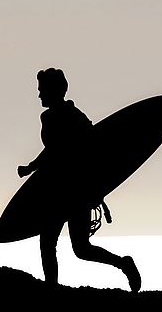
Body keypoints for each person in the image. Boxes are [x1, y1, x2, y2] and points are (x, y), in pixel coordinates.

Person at [17, 68, 142, 292]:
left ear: (52, 90)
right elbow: (52, 150)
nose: (39, 95)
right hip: (56, 188)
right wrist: (31, 167)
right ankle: (51, 289)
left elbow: (93, 147)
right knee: (48, 243)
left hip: (76, 189)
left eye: (41, 90)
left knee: (81, 248)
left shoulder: (74, 116)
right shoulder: (48, 117)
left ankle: (124, 263)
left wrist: (97, 188)